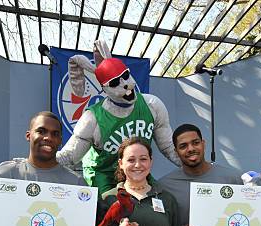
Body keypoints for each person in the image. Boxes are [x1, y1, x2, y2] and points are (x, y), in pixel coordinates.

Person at [57, 40, 180, 196]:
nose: (126, 84)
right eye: (115, 82)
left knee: (161, 201)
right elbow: (70, 156)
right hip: (103, 175)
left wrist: (195, 166)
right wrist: (37, 163)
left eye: (126, 75)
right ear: (105, 89)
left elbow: (168, 147)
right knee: (109, 210)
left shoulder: (152, 105)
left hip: (138, 172)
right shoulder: (92, 118)